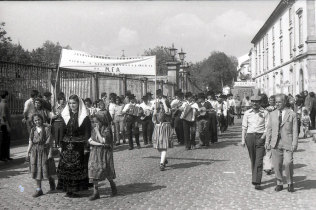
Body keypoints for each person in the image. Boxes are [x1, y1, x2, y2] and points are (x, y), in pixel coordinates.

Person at [57, 94, 91, 197]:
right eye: (70, 103)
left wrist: (86, 147)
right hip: (67, 146)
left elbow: (87, 133)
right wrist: (60, 144)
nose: (72, 105)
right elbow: (62, 131)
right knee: (67, 167)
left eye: (74, 103)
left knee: (76, 167)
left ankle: (75, 190)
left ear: (78, 104)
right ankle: (68, 190)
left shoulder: (83, 117)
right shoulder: (66, 116)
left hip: (79, 146)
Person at [266, 94, 298, 193]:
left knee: (288, 163)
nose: (278, 104)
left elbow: (295, 130)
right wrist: (267, 141)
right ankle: (279, 183)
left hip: (287, 142)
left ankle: (290, 182)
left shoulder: (292, 114)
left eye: (280, 102)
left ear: (284, 102)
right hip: (275, 143)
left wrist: (294, 143)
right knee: (277, 164)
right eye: (276, 102)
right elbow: (269, 129)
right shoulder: (272, 114)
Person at [241, 95, 269, 190]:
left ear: (260, 103)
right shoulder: (247, 113)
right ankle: (255, 177)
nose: (254, 103)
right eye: (253, 101)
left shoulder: (265, 113)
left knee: (259, 160)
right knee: (253, 159)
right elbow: (244, 127)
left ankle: (257, 181)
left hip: (260, 136)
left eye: (257, 102)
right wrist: (242, 140)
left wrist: (263, 138)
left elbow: (267, 127)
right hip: (250, 137)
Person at [88, 114, 117, 200]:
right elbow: (90, 140)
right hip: (95, 152)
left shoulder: (106, 129)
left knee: (106, 169)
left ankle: (112, 184)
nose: (95, 124)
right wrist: (100, 144)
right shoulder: (93, 129)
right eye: (93, 122)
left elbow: (103, 140)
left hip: (105, 153)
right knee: (93, 170)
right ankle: (96, 192)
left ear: (101, 121)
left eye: (96, 122)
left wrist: (97, 132)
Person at [26, 114, 56, 197]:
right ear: (33, 122)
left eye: (38, 119)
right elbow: (30, 142)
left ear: (41, 119)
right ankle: (39, 190)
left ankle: (51, 180)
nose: (37, 122)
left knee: (46, 169)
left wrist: (50, 153)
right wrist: (27, 152)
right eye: (35, 120)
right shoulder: (33, 130)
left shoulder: (47, 129)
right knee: (36, 171)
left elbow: (50, 142)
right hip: (35, 152)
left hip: (44, 150)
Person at [152, 96, 173, 171]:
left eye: (162, 103)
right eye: (160, 103)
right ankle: (164, 158)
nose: (160, 104)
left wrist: (164, 102)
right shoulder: (157, 110)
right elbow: (154, 118)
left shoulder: (168, 109)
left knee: (163, 146)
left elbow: (167, 112)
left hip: (165, 128)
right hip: (158, 128)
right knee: (158, 146)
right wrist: (155, 108)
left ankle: (161, 164)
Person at [0, 90, 12, 161]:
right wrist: (7, 125)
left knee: (5, 140)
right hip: (4, 125)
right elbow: (4, 116)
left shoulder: (2, 103)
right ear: (6, 96)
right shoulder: (4, 104)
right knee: (5, 141)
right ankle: (4, 156)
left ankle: (6, 156)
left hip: (3, 124)